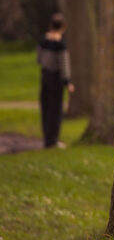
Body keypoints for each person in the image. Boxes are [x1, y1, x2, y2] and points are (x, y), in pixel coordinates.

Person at [36, 13, 75, 148]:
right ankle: (53, 140)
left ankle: (47, 138)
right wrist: (68, 82)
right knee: (56, 109)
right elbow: (64, 65)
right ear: (63, 27)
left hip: (45, 76)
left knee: (45, 107)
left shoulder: (43, 41)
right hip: (56, 79)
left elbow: (39, 59)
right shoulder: (60, 45)